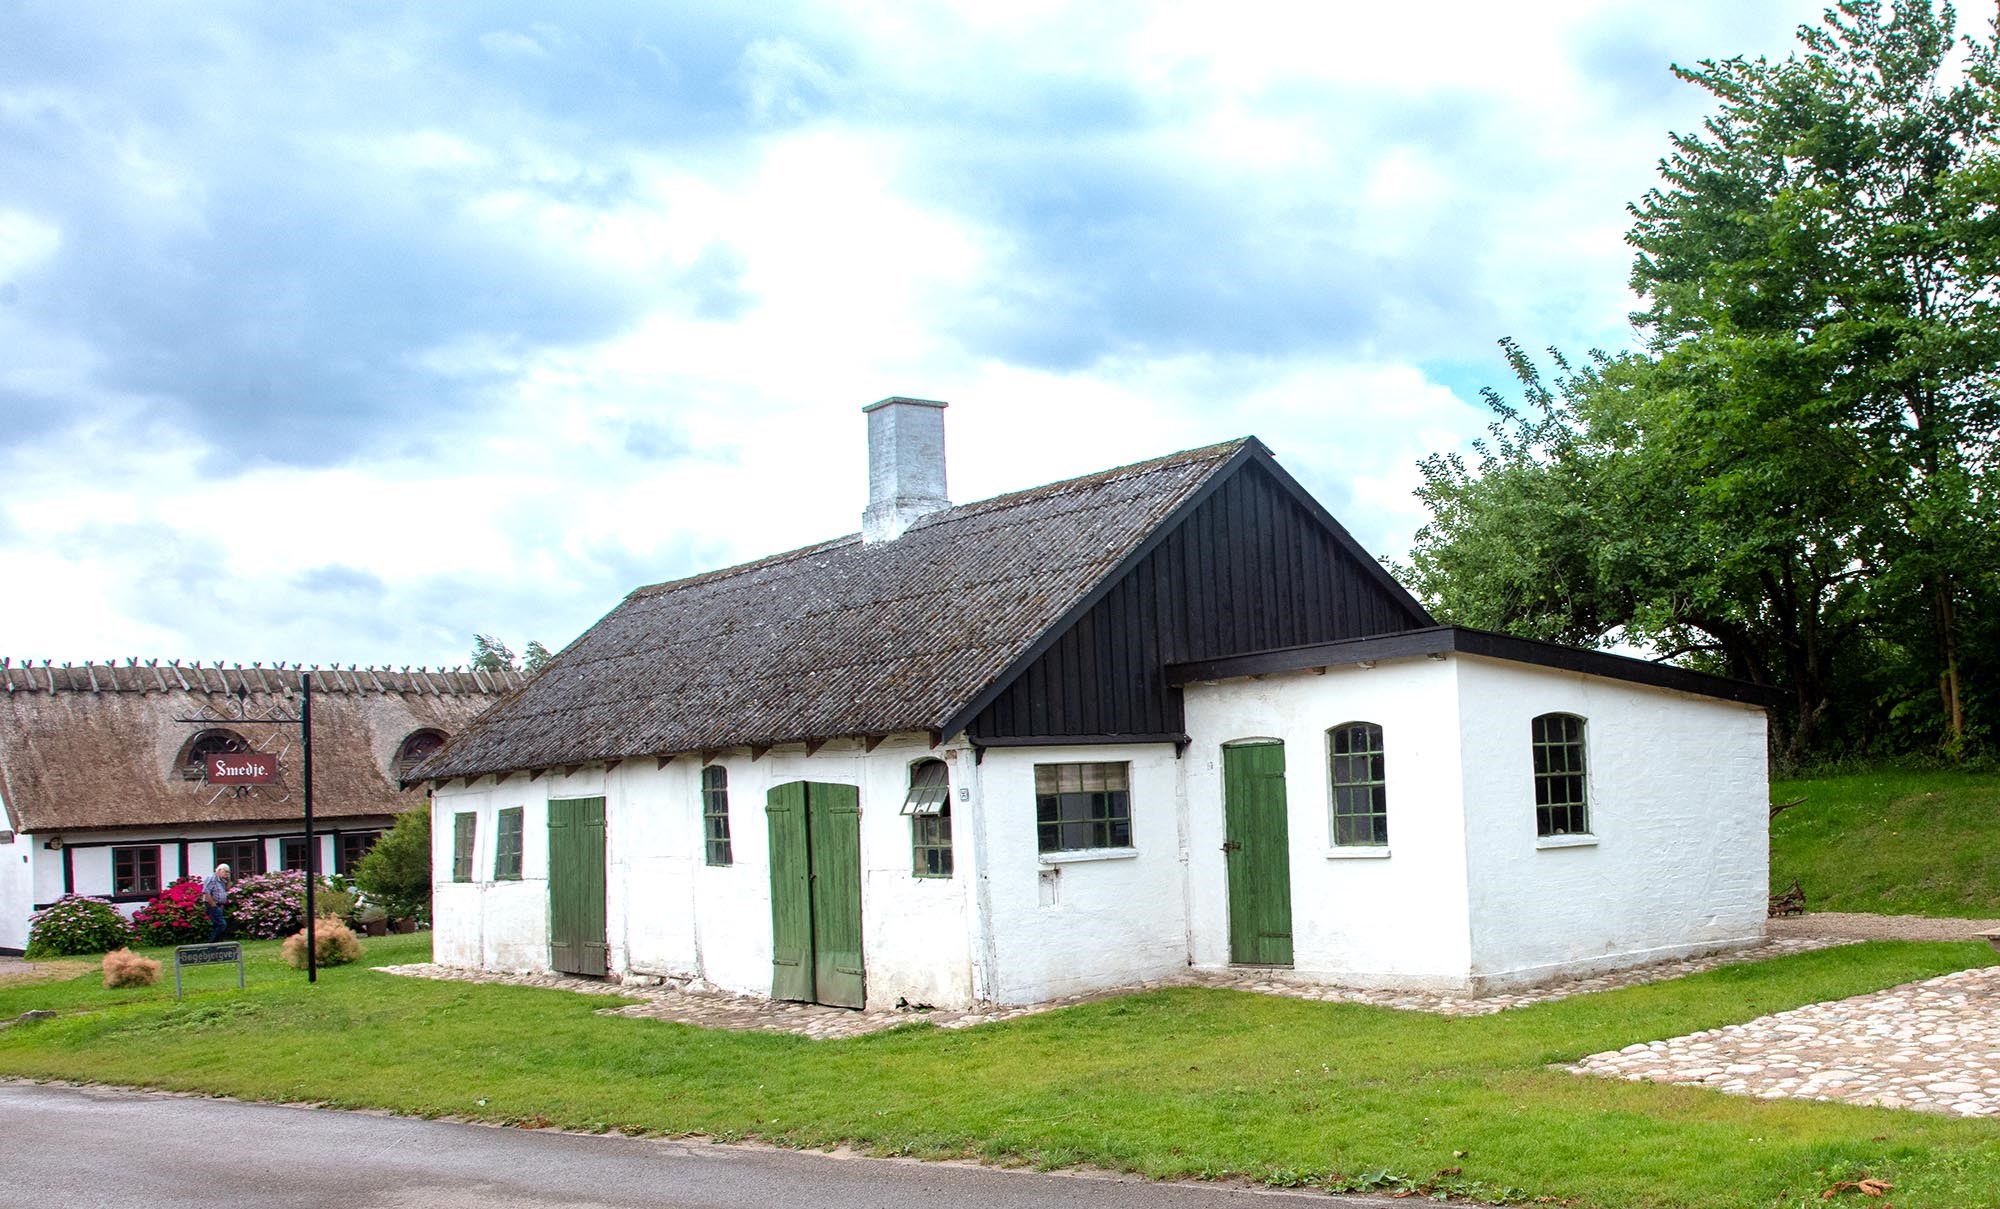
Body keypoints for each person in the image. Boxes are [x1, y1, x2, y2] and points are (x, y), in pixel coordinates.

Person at [202, 863, 232, 942]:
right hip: (212, 904)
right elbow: (206, 892)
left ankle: (215, 944)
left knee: (217, 925)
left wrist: (228, 880)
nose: (227, 874)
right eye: (225, 871)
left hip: (219, 905)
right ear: (219, 870)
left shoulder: (221, 879)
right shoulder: (211, 878)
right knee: (221, 924)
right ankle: (212, 944)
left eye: (228, 872)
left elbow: (226, 889)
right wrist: (214, 905)